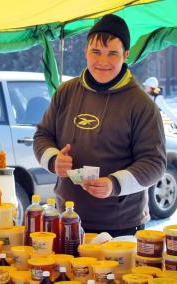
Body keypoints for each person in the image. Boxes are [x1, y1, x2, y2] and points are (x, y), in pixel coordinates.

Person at [34, 14, 166, 237]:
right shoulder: (66, 92)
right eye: (96, 52)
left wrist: (114, 184)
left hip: (121, 224)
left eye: (112, 54)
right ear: (86, 51)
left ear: (125, 56)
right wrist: (54, 160)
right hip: (67, 217)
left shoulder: (141, 104)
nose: (102, 61)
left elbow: (154, 163)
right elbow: (42, 136)